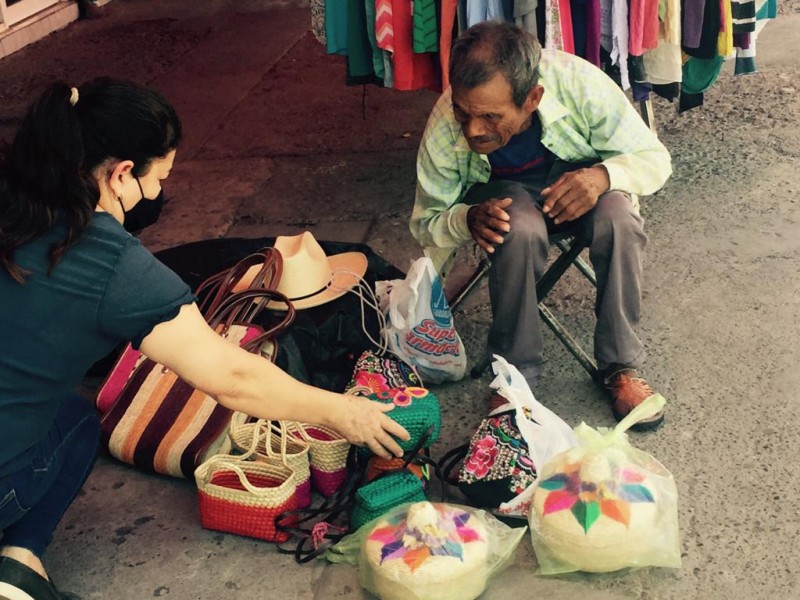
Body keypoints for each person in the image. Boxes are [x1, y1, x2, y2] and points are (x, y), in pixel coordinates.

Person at [0, 78, 409, 600]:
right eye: (158, 178)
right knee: (81, 423)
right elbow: (234, 378)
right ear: (122, 172)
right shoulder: (112, 265)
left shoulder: (16, 201)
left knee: (70, 411)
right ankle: (20, 566)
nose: (156, 195)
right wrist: (342, 412)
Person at [410, 21, 672, 429]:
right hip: (505, 196)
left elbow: (655, 159)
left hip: (576, 182)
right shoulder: (447, 120)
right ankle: (516, 380)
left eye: (491, 117)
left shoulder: (581, 85)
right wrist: (464, 219)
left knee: (619, 217)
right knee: (515, 228)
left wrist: (601, 177)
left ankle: (621, 367)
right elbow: (425, 223)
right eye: (464, 113)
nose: (473, 129)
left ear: (532, 98)